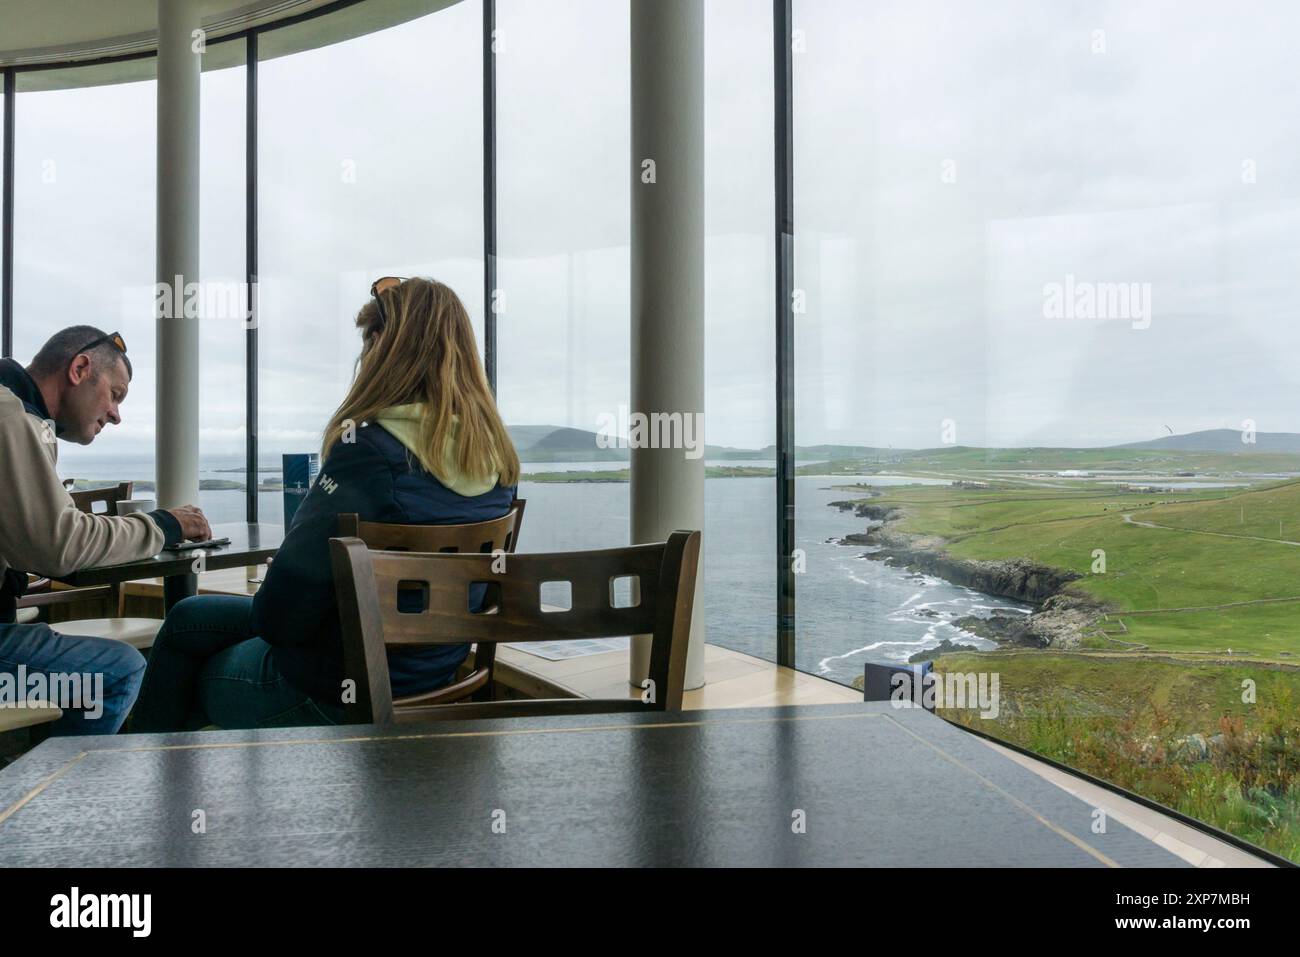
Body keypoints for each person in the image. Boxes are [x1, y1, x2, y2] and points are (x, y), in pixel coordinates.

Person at [131, 278, 520, 732]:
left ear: (381, 346)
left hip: (336, 691)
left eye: (367, 343)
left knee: (186, 658)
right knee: (188, 616)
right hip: (435, 675)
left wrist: (289, 571)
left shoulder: (369, 451)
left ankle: (152, 776)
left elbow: (278, 620)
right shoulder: (498, 463)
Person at [0, 326, 211, 735]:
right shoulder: (10, 416)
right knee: (117, 671)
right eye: (115, 394)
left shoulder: (23, 414)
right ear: (79, 368)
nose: (116, 414)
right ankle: (53, 795)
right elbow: (59, 547)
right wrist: (164, 525)